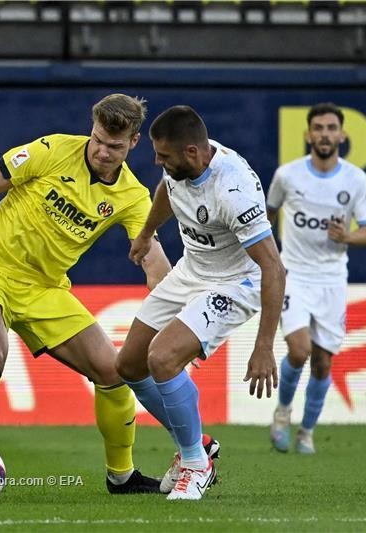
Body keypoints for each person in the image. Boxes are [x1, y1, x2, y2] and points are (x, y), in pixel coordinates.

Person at [0, 93, 180, 499]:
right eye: (97, 141)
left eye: (114, 145)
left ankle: (121, 476)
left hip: (45, 288)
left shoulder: (132, 196)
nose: (103, 152)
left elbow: (153, 257)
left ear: (134, 143)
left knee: (113, 371)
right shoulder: (52, 150)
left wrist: (167, 305)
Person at [115, 105, 285, 500]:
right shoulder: (181, 164)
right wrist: (146, 233)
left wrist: (264, 347)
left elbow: (273, 269)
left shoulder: (233, 190)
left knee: (163, 358)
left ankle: (195, 464)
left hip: (235, 283)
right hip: (191, 270)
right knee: (128, 364)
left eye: (164, 157)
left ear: (192, 153)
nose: (157, 162)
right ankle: (198, 445)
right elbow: (167, 190)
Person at [267, 102, 366, 454]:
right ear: (308, 134)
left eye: (332, 128)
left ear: (342, 135)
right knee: (298, 351)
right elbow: (267, 215)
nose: (325, 134)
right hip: (293, 273)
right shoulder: (287, 175)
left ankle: (306, 432)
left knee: (323, 361)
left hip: (331, 278)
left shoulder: (355, 179)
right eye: (319, 128)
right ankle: (282, 414)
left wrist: (346, 237)